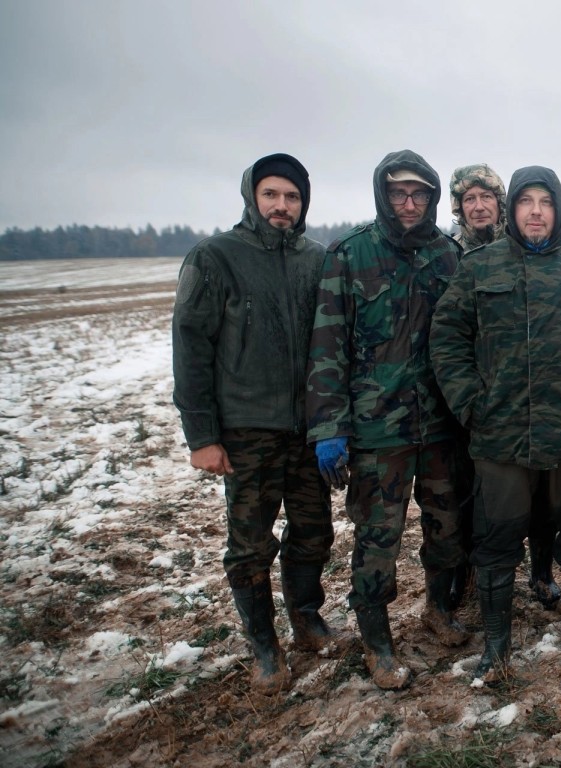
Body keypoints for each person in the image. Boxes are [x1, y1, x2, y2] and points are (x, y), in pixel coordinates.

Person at [429, 166, 561, 681]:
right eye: (526, 202)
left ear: (559, 209)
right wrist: (470, 403)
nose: (536, 212)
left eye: (545, 202)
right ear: (512, 210)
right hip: (500, 437)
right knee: (496, 542)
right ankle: (497, 644)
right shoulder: (479, 267)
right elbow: (447, 338)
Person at [172, 153, 335, 695]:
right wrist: (202, 435)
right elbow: (191, 345)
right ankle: (263, 642)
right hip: (247, 430)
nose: (281, 206)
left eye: (291, 197)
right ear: (252, 197)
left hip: (308, 429)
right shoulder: (215, 257)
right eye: (271, 195)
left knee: (313, 533)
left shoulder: (318, 259)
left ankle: (306, 616)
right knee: (250, 545)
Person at [306, 150, 465, 691]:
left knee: (448, 529)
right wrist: (330, 427)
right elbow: (326, 349)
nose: (409, 203)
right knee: (379, 540)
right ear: (382, 194)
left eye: (419, 194)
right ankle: (378, 643)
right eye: (398, 192)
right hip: (378, 432)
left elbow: (466, 339)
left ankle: (439, 610)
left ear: (433, 198)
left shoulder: (449, 256)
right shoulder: (350, 256)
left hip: (442, 427)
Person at [448, 164, 561, 613]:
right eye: (468, 200)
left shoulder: (520, 247)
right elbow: (449, 333)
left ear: (501, 204)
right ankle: (472, 578)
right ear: (458, 207)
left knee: (538, 498)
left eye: (486, 198)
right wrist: (468, 398)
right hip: (473, 399)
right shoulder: (449, 252)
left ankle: (540, 571)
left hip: (525, 402)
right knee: (475, 500)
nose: (478, 206)